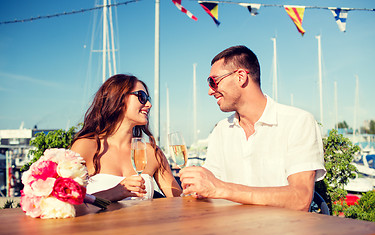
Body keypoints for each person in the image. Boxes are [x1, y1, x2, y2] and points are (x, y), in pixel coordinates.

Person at [179, 45, 326, 211]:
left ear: (241, 77)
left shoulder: (298, 122)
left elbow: (300, 199)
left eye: (213, 81)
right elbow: (211, 186)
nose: (209, 91)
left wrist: (222, 188)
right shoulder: (221, 129)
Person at [71, 74, 182, 202]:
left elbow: (178, 201)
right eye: (142, 97)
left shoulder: (152, 152)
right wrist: (113, 193)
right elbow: (67, 201)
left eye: (148, 98)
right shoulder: (86, 146)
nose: (149, 104)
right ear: (118, 98)